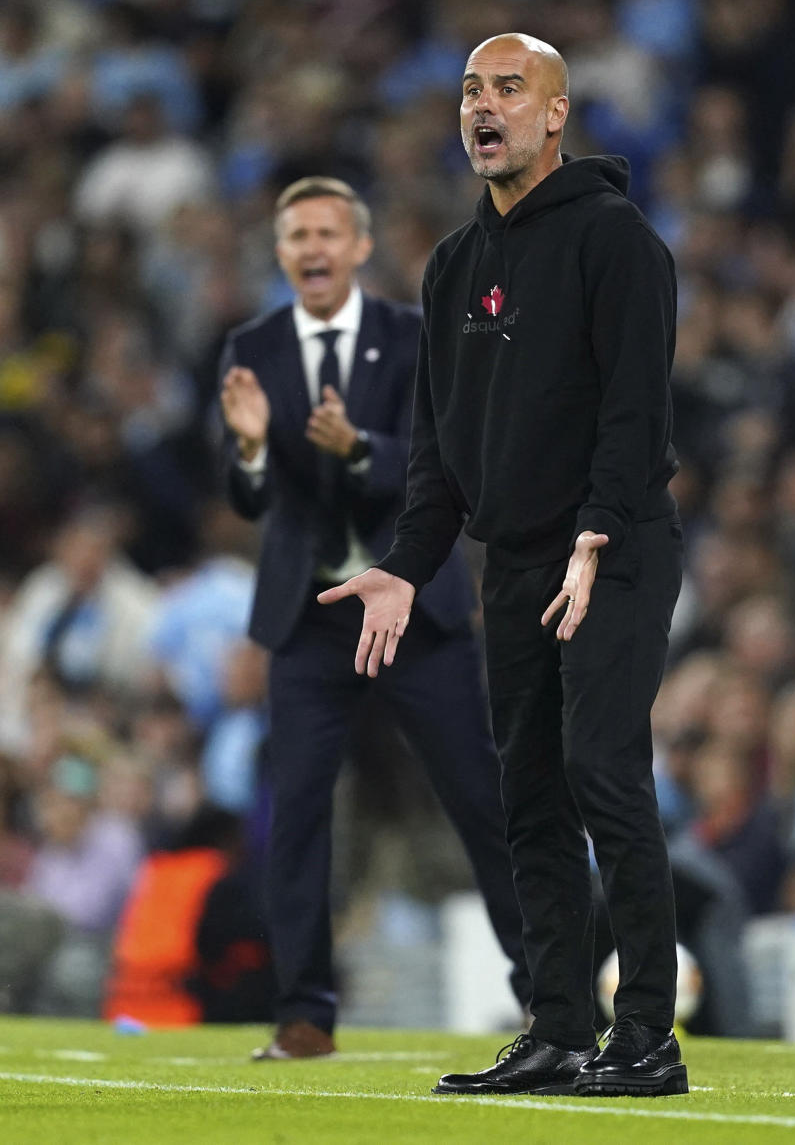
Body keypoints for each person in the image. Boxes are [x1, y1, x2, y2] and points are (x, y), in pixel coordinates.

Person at [319, 35, 688, 1097]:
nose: (483, 107)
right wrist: (404, 562)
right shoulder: (452, 266)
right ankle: (560, 1027)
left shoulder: (617, 243)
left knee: (603, 772)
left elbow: (635, 411)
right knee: (527, 791)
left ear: (557, 113)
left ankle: (648, 1033)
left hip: (609, 549)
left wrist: (597, 532)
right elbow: (440, 453)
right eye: (470, 92)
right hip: (517, 563)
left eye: (508, 90)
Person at [218, 176, 528, 1060]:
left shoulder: (412, 335)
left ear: (358, 247)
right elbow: (247, 498)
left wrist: (357, 448)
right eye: (296, 234)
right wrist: (247, 443)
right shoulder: (252, 347)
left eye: (328, 231)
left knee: (481, 800)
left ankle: (548, 996)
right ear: (281, 254)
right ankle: (306, 1015)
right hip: (312, 620)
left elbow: (446, 462)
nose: (312, 247)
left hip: (413, 608)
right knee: (301, 814)